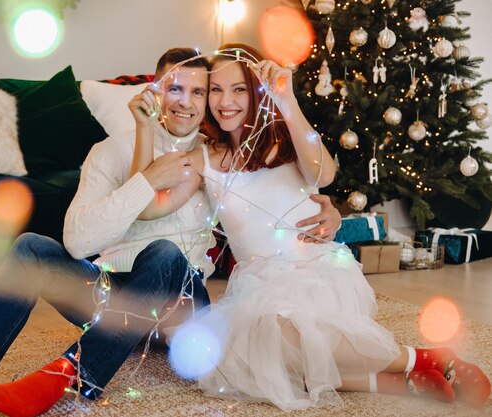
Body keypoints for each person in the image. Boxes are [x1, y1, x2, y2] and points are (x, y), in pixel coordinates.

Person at [0, 47, 344, 417]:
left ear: (209, 101)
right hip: (111, 299)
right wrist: (147, 175)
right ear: (154, 91)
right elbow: (77, 243)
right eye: (173, 88)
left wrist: (330, 208)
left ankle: (67, 375)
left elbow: (279, 187)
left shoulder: (214, 156)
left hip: (183, 316)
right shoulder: (107, 154)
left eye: (198, 92)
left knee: (164, 254)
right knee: (31, 246)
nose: (185, 101)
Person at [131, 43, 491, 411]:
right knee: (240, 357)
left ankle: (423, 357)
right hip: (258, 285)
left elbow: (324, 173)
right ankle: (405, 380)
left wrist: (287, 102)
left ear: (257, 91)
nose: (226, 101)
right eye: (217, 90)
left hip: (314, 271)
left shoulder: (285, 138)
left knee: (282, 339)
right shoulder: (204, 158)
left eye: (239, 88)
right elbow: (144, 207)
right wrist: (143, 128)